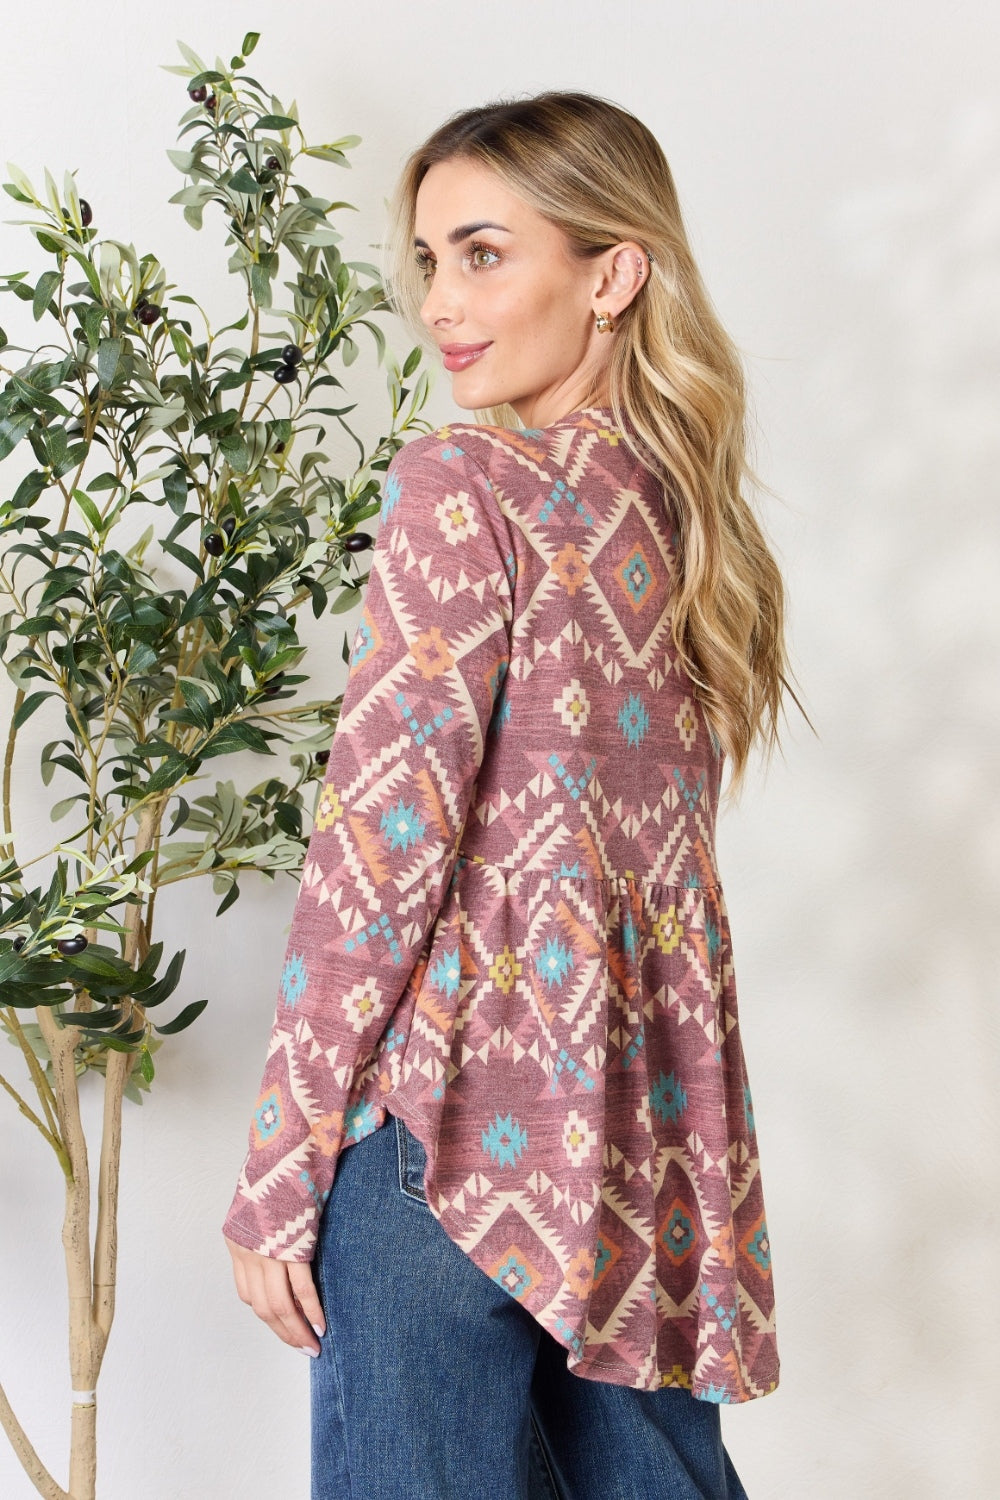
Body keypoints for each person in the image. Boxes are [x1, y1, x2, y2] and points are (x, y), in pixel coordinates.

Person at [223, 89, 793, 1500]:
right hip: (641, 1152)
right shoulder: (693, 535)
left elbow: (380, 856)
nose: (440, 303)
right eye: (430, 260)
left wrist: (281, 1165)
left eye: (485, 254)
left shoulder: (463, 484)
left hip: (447, 1140)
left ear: (612, 274)